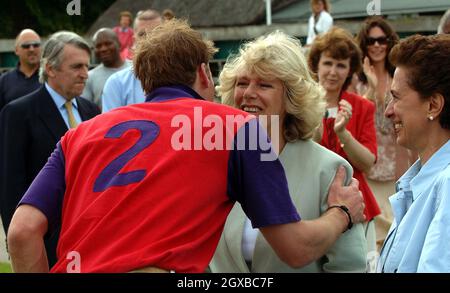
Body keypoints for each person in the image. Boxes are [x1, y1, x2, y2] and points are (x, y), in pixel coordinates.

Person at [6, 19, 364, 273]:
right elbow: (296, 248)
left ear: (143, 79)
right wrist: (342, 214)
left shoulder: (80, 133)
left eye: (265, 85)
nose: (248, 94)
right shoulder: (236, 130)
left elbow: (22, 231)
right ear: (205, 74)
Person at [209, 31, 367, 273]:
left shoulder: (329, 170)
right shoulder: (214, 164)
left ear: (291, 98)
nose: (249, 93)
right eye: (242, 83)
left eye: (264, 84)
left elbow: (349, 267)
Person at [0, 31, 100, 267]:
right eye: (77, 67)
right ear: (51, 69)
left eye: (87, 66)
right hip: (43, 238)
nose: (85, 74)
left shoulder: (92, 111)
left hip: (90, 235)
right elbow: (11, 182)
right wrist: (17, 240)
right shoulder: (18, 113)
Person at [377, 34, 450, 273]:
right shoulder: (422, 182)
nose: (388, 111)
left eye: (396, 97)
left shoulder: (447, 186)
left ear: (433, 106)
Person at [308, 27, 380, 258]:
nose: (333, 71)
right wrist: (313, 114)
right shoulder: (300, 105)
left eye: (341, 65)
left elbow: (368, 163)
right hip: (310, 205)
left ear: (350, 70)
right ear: (316, 65)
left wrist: (344, 134)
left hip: (356, 207)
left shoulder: (362, 106)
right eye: (328, 63)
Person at [355, 17, 416, 250]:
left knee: (397, 231)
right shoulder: (355, 80)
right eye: (371, 40)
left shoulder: (399, 79)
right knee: (372, 239)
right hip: (368, 168)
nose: (377, 45)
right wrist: (371, 89)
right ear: (364, 44)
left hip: (396, 165)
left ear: (389, 42)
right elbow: (356, 120)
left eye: (382, 40)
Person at [102, 9, 162, 112]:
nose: (149, 40)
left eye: (156, 33)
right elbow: (110, 126)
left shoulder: (184, 79)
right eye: (143, 35)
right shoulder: (117, 84)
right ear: (134, 39)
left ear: (166, 37)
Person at [82, 28, 129, 108]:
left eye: (108, 44)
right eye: (98, 46)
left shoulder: (136, 69)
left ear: (119, 45)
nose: (103, 49)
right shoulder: (89, 77)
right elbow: (86, 110)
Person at [0, 29, 41, 112]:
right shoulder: (4, 81)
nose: (31, 49)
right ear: (16, 50)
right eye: (26, 46)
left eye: (36, 45)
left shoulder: (51, 77)